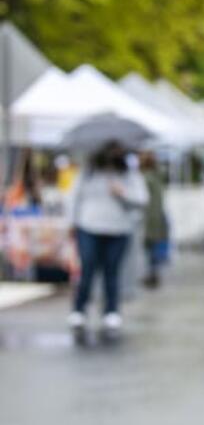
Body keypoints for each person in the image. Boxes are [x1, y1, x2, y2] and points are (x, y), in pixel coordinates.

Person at [67, 142, 149, 333]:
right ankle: (79, 309)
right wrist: (71, 222)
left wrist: (123, 193)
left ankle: (111, 310)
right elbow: (74, 197)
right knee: (87, 268)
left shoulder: (129, 175)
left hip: (118, 229)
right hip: (89, 227)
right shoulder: (89, 173)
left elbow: (143, 200)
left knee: (112, 271)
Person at [139, 151, 169, 288]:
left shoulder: (146, 178)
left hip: (149, 217)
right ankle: (153, 273)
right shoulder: (159, 175)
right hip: (158, 215)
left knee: (148, 249)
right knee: (154, 248)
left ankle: (151, 274)